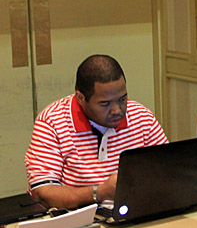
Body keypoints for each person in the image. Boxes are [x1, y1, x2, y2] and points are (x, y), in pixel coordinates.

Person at [25, 54, 168, 209]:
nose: (117, 110)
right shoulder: (52, 122)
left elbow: (167, 170)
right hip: (75, 219)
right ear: (80, 98)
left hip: (132, 213)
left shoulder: (140, 116)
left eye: (122, 99)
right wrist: (99, 192)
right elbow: (44, 192)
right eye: (105, 103)